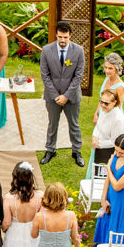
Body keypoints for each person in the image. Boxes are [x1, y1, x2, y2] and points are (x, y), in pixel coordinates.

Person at [39, 22, 86, 167]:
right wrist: (55, 96)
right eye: (60, 37)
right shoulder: (46, 50)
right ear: (56, 35)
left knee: (74, 124)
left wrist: (66, 96)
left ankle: (76, 151)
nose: (62, 40)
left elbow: (78, 76)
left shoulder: (78, 51)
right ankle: (50, 150)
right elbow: (45, 75)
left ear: (70, 35)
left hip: (71, 96)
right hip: (52, 96)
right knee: (52, 124)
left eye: (65, 37)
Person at [92, 134, 124, 245]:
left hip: (123, 201)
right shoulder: (117, 154)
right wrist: (103, 198)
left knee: (118, 225)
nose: (118, 154)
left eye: (121, 153)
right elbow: (108, 180)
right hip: (111, 195)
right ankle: (102, 246)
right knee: (106, 220)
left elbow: (117, 186)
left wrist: (108, 168)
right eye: (116, 151)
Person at [85, 53, 124, 179]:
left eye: (110, 68)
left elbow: (116, 107)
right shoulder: (106, 79)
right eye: (106, 67)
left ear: (117, 69)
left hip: (110, 119)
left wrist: (104, 120)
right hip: (102, 114)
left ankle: (105, 177)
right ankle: (91, 176)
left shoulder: (120, 87)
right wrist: (96, 113)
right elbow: (102, 99)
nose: (107, 71)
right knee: (96, 144)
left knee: (106, 148)